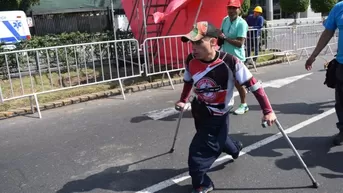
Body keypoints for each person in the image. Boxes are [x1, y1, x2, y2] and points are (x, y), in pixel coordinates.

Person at [175, 21, 277, 193]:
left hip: (218, 114)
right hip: (199, 110)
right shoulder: (191, 60)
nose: (194, 47)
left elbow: (254, 85)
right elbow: (187, 81)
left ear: (213, 42)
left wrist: (268, 111)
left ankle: (202, 183)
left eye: (199, 42)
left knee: (198, 152)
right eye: (192, 43)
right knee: (217, 138)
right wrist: (183, 100)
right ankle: (234, 149)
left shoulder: (230, 62)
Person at [305, 1, 343, 146]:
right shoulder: (339, 7)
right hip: (341, 64)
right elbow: (328, 32)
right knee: (340, 102)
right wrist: (313, 55)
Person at [220, 0, 250, 115]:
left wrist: (225, 38)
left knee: (238, 83)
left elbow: (240, 43)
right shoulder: (225, 20)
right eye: (229, 8)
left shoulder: (242, 23)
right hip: (225, 56)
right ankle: (227, 103)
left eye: (234, 8)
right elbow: (221, 34)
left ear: (239, 9)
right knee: (226, 82)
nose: (231, 10)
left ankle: (244, 104)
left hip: (237, 58)